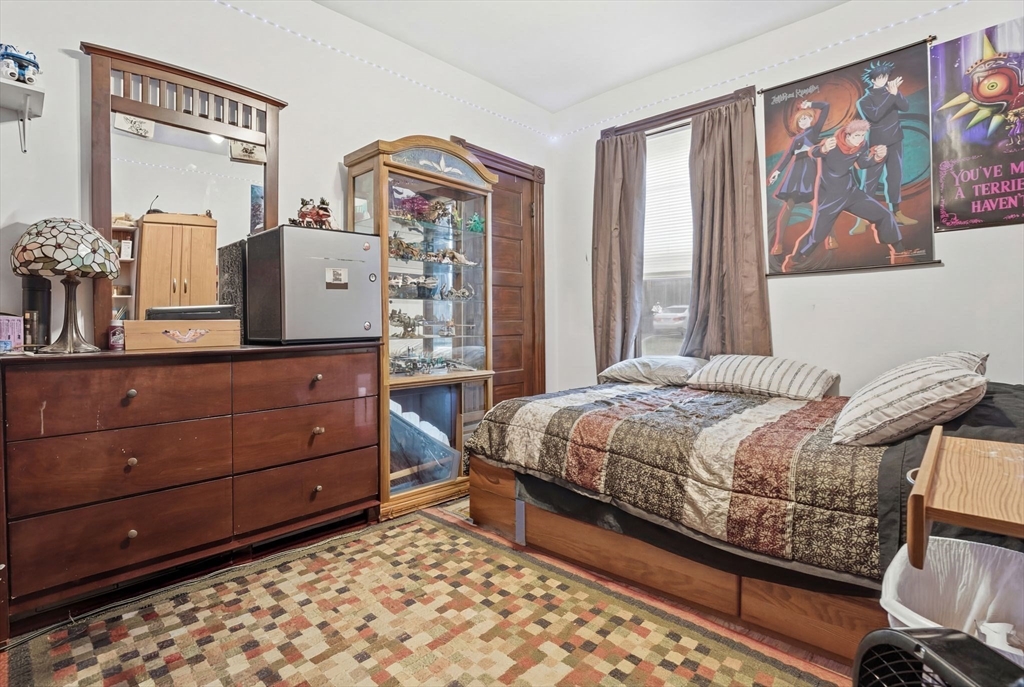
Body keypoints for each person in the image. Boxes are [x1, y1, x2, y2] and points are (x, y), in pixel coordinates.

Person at [784, 120, 911, 272]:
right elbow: (815, 152)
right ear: (847, 135)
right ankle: (794, 260)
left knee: (884, 215)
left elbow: (862, 164)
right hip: (830, 197)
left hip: (850, 192)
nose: (860, 139)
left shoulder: (862, 144)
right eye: (857, 135)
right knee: (817, 235)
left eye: (863, 135)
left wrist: (877, 157)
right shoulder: (832, 143)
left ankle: (899, 253)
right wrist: (824, 148)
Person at [767, 100, 837, 256]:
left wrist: (810, 104)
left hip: (810, 169)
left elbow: (826, 107)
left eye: (806, 118)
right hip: (796, 172)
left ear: (811, 119)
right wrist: (776, 172)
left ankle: (831, 237)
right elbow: (787, 157)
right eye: (801, 120)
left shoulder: (814, 130)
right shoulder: (796, 139)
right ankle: (778, 243)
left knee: (819, 204)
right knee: (789, 206)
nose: (804, 121)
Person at [855, 60, 917, 229]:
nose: (884, 80)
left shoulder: (891, 93)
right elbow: (875, 116)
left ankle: (897, 213)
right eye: (881, 77)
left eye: (886, 77)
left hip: (895, 140)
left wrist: (896, 94)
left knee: (894, 177)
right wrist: (891, 95)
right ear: (873, 80)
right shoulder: (864, 101)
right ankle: (863, 218)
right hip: (876, 145)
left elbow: (905, 107)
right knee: (870, 182)